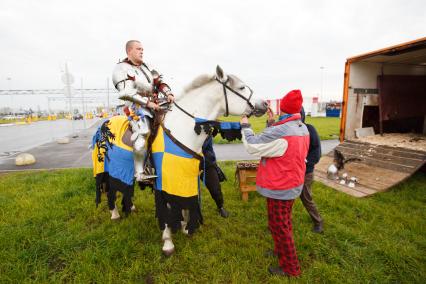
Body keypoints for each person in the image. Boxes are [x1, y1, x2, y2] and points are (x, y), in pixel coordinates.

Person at [240, 90, 309, 277]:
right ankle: (281, 251)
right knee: (280, 222)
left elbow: (253, 146)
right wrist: (271, 123)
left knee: (281, 227)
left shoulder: (283, 131)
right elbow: (279, 144)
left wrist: (245, 126)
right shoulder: (300, 126)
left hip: (281, 187)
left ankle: (291, 268)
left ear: (283, 107)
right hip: (291, 184)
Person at [112, 40, 174, 181]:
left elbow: (159, 82)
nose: (142, 51)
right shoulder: (120, 69)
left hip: (156, 104)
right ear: (129, 51)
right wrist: (148, 103)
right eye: (138, 49)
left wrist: (168, 93)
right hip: (135, 107)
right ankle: (140, 173)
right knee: (143, 131)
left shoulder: (147, 67)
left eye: (142, 49)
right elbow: (125, 93)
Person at [267, 107, 324, 233]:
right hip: (289, 172)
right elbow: (272, 138)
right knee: (285, 200)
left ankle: (318, 222)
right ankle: (280, 224)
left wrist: (305, 163)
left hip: (305, 172)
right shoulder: (286, 130)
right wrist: (270, 122)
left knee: (306, 198)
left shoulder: (309, 129)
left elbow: (317, 152)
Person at [201, 135, 229, 218]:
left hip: (207, 163)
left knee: (215, 188)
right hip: (187, 163)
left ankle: (220, 207)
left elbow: (201, 147)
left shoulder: (205, 129)